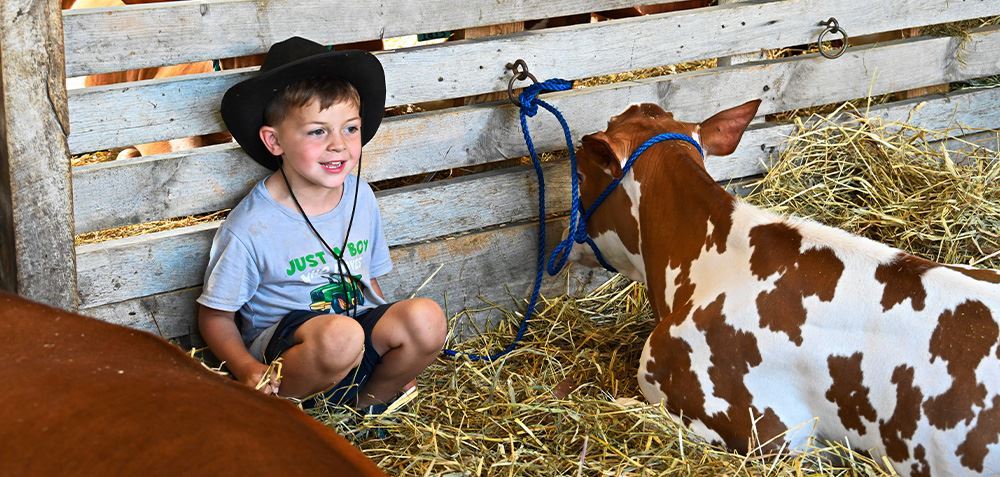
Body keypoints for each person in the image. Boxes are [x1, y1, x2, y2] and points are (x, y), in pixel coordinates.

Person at [197, 37, 447, 416]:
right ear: (274, 140)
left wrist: (398, 363)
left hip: (354, 333)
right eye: (317, 131)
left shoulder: (360, 196)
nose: (338, 146)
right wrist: (248, 369)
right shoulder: (253, 225)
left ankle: (364, 408)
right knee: (340, 337)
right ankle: (285, 417)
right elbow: (214, 316)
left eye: (350, 128)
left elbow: (369, 283)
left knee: (426, 320)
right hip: (291, 357)